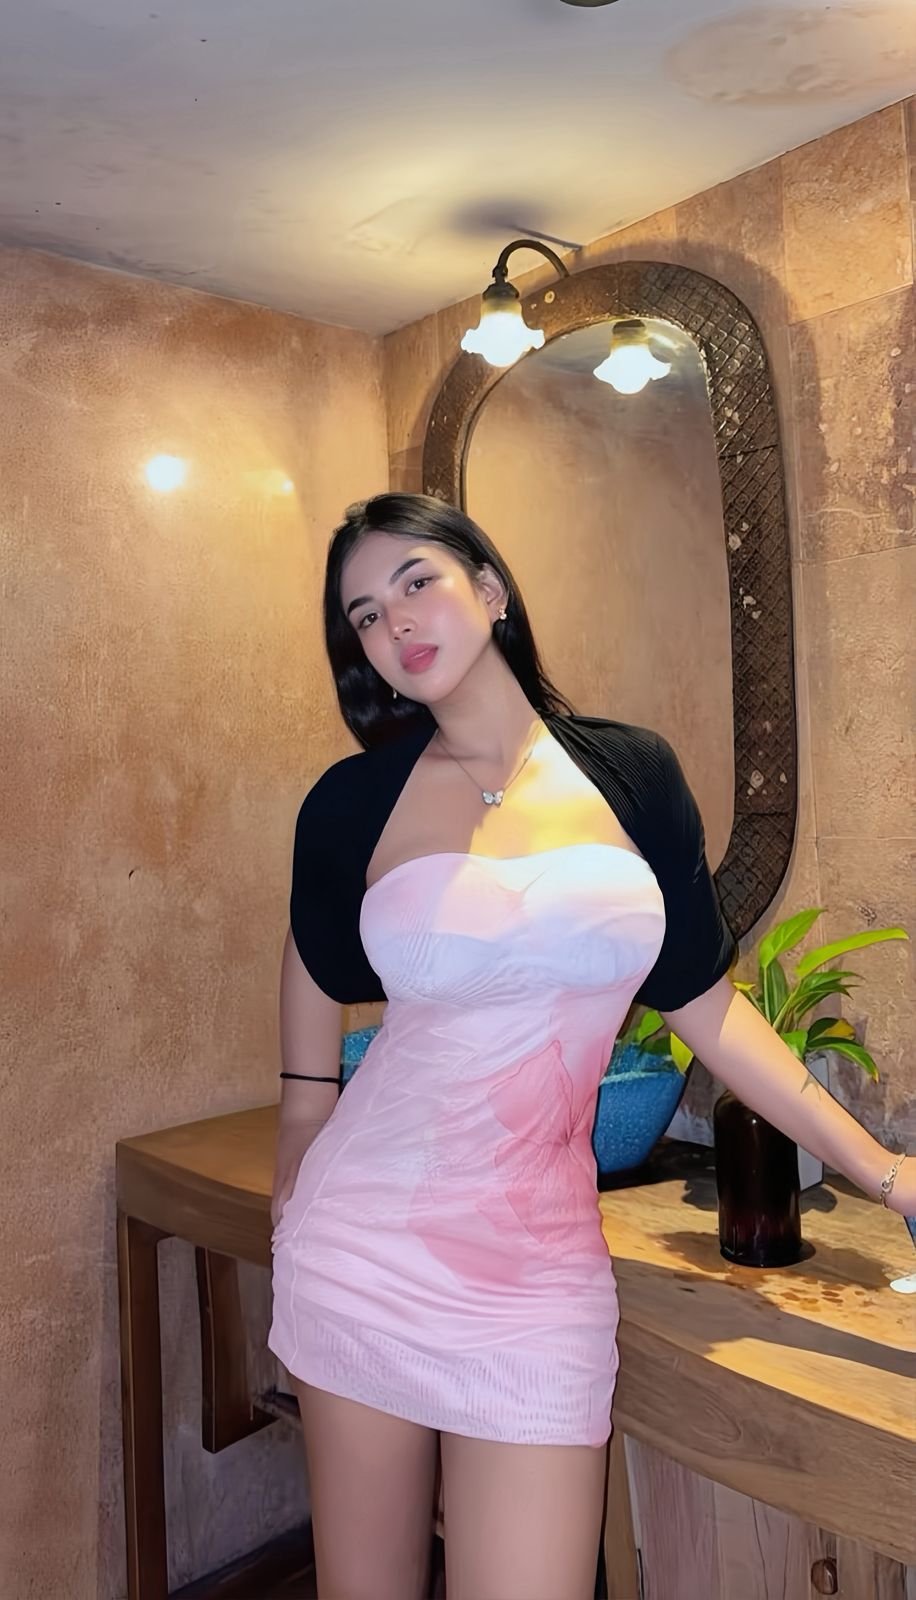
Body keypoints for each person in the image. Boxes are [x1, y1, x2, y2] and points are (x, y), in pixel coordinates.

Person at [268, 493, 913, 1600]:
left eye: (416, 581)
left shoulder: (632, 773)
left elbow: (709, 1009)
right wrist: (300, 1136)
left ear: (490, 589)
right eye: (365, 614)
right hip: (363, 1246)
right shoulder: (352, 805)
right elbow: (310, 975)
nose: (395, 622)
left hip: (538, 1277)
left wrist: (888, 1172)